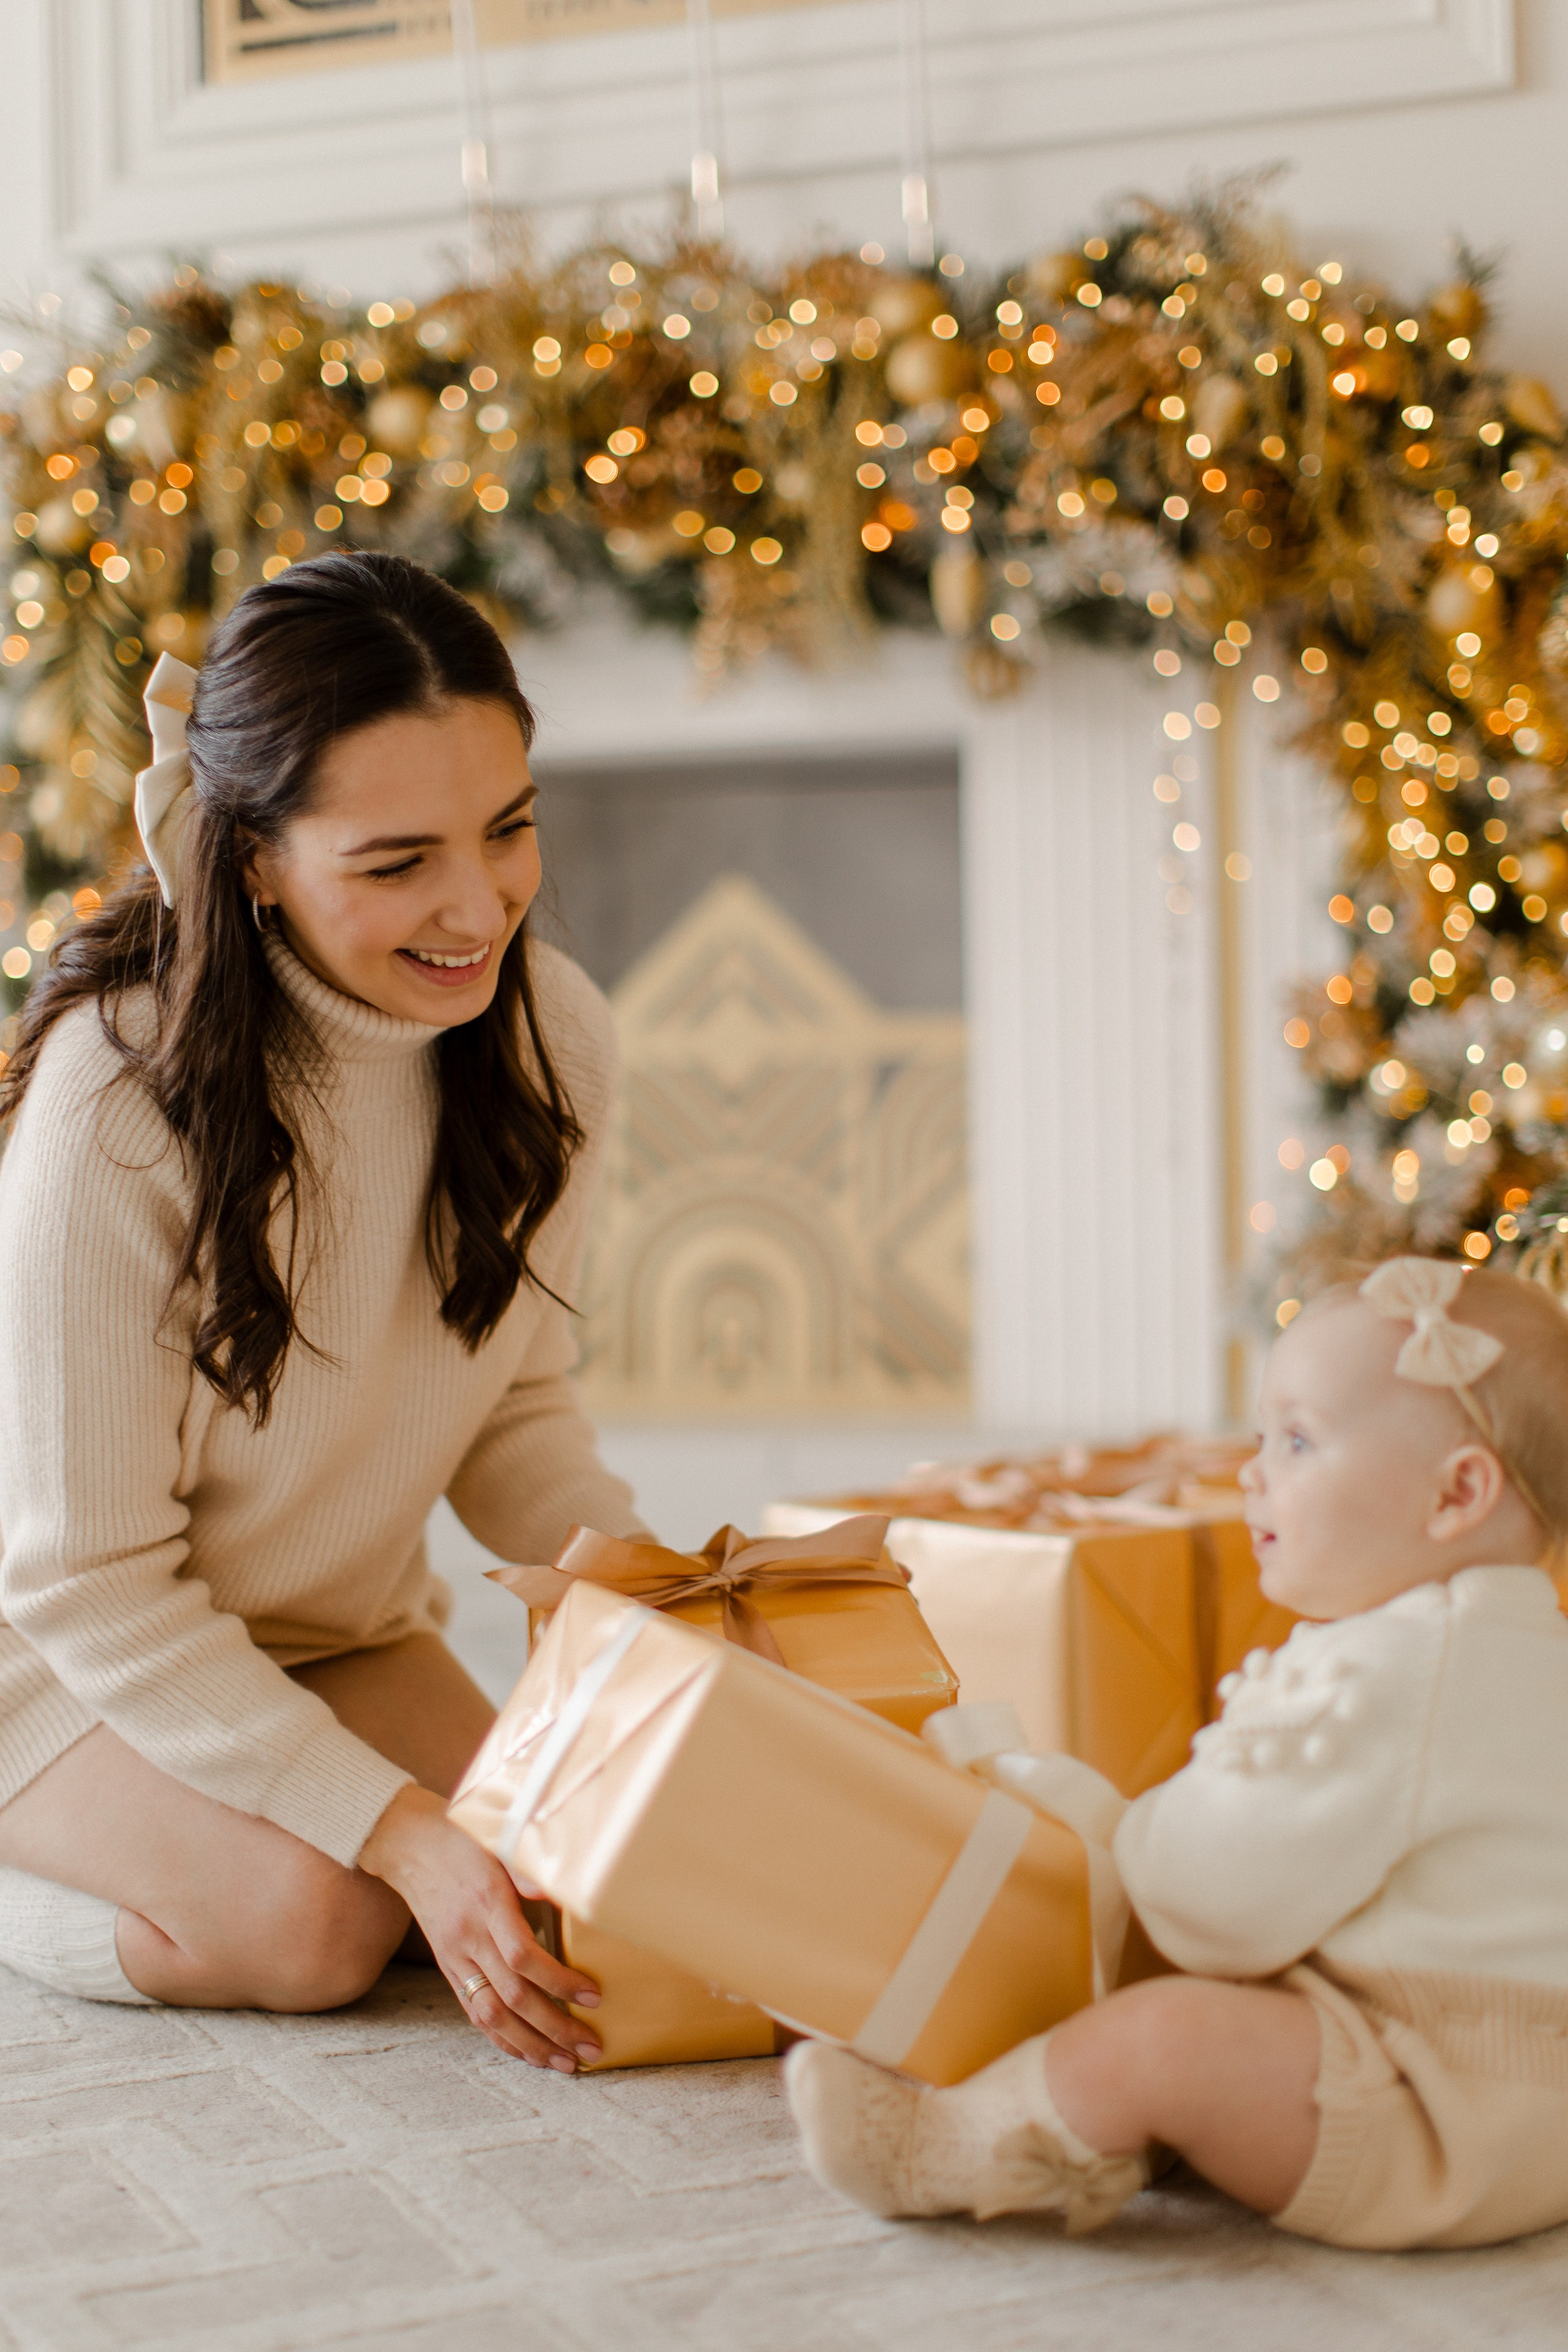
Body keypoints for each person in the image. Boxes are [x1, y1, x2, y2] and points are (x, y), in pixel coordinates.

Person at [0, 550, 643, 2071]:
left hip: (327, 1635)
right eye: (397, 862)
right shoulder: (115, 1106)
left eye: (507, 829)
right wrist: (396, 1829)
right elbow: (87, 1582)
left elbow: (514, 1402)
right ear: (252, 859)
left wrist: (661, 1609)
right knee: (318, 1926)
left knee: (575, 1889)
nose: (477, 905)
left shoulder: (552, 1039)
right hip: (63, 1663)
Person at [788, 1256, 1568, 2248]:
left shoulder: (1395, 1671)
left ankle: (944, 2147)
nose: (1252, 1473)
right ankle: (1114, 2131)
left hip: (1438, 2118)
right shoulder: (1522, 1644)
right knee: (1228, 2009)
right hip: (1526, 2097)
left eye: (1297, 1440)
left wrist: (1133, 1831)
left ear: (1455, 1494)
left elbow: (1200, 1904)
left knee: (1166, 2032)